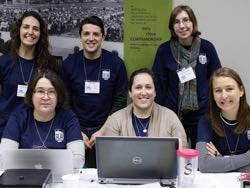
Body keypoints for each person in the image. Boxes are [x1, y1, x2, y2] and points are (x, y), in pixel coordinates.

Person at [62, 16, 128, 167]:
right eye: (86, 34)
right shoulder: (69, 64)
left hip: (108, 128)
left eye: (96, 34)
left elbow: (120, 103)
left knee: (107, 176)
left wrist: (103, 130)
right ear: (80, 37)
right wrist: (76, 131)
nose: (91, 38)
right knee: (76, 176)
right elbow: (64, 103)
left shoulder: (116, 64)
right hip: (76, 129)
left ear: (103, 37)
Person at [152, 5, 221, 148]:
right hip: (173, 115)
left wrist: (212, 109)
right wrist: (161, 114)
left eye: (186, 20)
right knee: (173, 159)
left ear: (193, 23)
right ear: (172, 27)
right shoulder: (164, 50)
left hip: (202, 115)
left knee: (202, 158)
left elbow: (217, 81)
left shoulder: (207, 48)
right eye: (177, 22)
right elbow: (158, 84)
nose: (182, 26)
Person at [1, 70, 85, 169]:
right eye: (40, 91)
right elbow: (3, 159)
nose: (46, 97)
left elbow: (78, 160)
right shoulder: (18, 118)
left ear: (58, 95)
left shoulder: (69, 119)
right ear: (31, 94)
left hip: (60, 179)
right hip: (24, 178)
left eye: (51, 92)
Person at [0, 11, 57, 139]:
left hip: (35, 130)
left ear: (40, 34)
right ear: (18, 30)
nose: (30, 32)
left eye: (35, 29)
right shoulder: (3, 62)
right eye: (26, 27)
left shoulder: (49, 65)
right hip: (5, 128)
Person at [103, 68, 188, 148]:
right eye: (138, 87)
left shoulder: (170, 117)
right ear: (130, 93)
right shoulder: (115, 120)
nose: (143, 93)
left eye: (148, 87)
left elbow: (183, 151)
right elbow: (110, 155)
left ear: (155, 92)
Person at [196, 67, 250, 173]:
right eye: (218, 91)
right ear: (213, 95)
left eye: (229, 89)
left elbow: (211, 165)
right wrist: (247, 157)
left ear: (241, 91)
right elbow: (203, 164)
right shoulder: (206, 122)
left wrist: (220, 160)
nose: (224, 96)